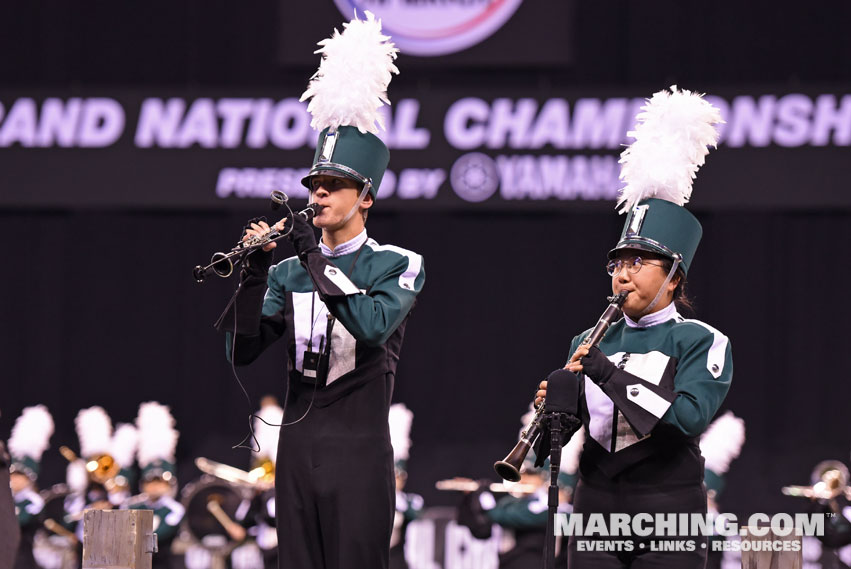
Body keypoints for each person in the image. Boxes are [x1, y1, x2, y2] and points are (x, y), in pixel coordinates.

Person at [215, 12, 425, 569]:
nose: (320, 192)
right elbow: (242, 351)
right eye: (315, 183)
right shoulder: (288, 272)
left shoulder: (397, 262)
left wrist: (309, 253)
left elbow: (373, 326)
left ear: (367, 198)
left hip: (360, 452)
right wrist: (256, 271)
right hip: (298, 449)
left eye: (335, 185)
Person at [534, 86, 732, 568]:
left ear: (673, 274)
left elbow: (687, 420)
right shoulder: (589, 338)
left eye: (639, 262)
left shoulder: (701, 339)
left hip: (669, 511)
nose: (623, 273)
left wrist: (603, 371)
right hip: (595, 506)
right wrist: (553, 416)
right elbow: (571, 438)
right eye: (617, 262)